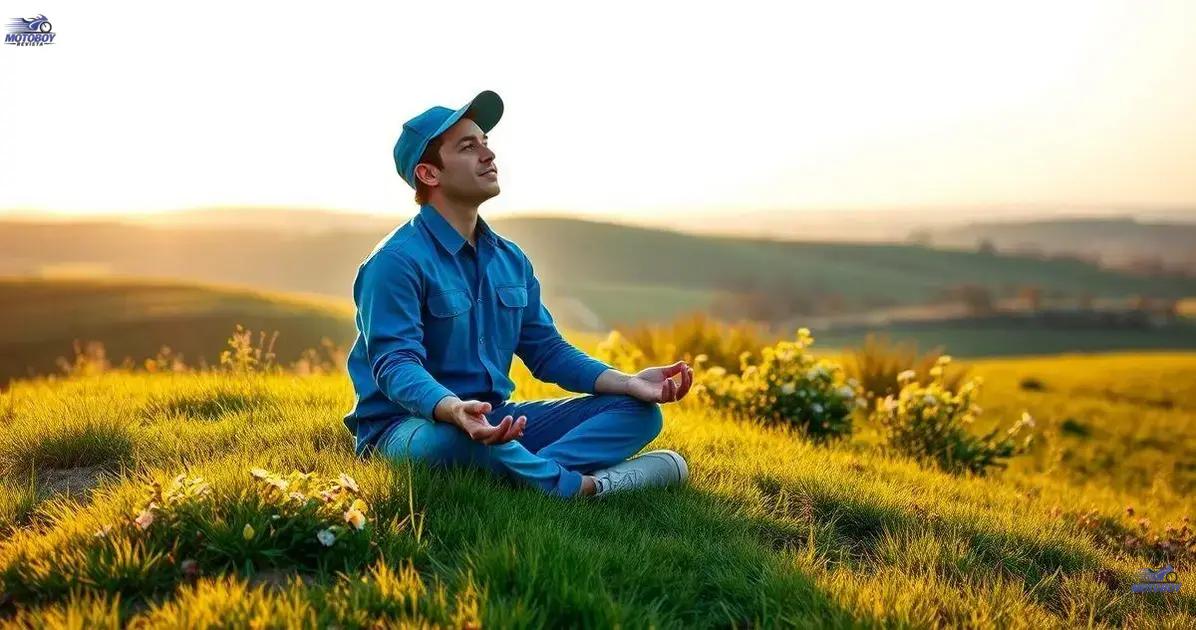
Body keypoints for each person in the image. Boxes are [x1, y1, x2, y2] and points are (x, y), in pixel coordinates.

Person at [343, 90, 692, 498]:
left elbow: (548, 351)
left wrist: (627, 382)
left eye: (485, 143)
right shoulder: (395, 262)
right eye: (468, 147)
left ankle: (528, 477)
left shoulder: (510, 259)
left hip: (495, 420)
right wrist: (454, 409)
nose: (488, 155)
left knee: (639, 414)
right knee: (451, 442)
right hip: (410, 427)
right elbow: (395, 364)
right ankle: (582, 486)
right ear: (429, 174)